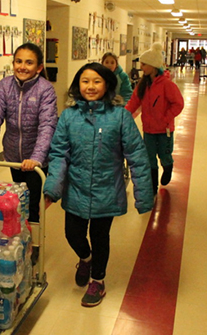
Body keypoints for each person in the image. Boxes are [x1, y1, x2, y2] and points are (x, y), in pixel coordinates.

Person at [43, 62, 153, 308]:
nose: (90, 86)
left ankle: (98, 280)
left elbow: (137, 157)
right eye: (85, 81)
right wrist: (52, 188)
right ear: (77, 85)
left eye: (96, 81)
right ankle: (85, 258)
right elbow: (59, 154)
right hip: (76, 189)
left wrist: (143, 196)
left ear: (107, 85)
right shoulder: (69, 116)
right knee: (73, 234)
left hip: (107, 190)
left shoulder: (121, 117)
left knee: (100, 237)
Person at [0, 42, 58, 223]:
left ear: (39, 67)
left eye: (29, 63)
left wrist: (37, 158)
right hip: (13, 156)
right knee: (19, 199)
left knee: (32, 203)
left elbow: (47, 126)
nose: (22, 67)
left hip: (36, 158)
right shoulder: (4, 86)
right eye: (18, 61)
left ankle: (33, 242)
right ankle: (20, 235)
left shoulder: (45, 89)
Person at [125, 43, 185, 196]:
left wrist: (166, 117)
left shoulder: (167, 85)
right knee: (149, 158)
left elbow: (178, 104)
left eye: (144, 65)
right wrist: (123, 115)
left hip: (164, 130)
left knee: (164, 155)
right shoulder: (142, 84)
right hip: (149, 129)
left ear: (153, 66)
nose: (142, 67)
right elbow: (134, 102)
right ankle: (152, 187)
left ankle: (168, 166)